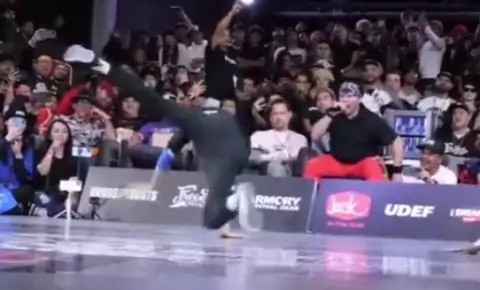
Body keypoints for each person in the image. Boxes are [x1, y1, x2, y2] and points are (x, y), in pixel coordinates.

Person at [64, 46, 260, 234]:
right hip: (235, 147)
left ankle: (102, 65)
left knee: (151, 98)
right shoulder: (228, 118)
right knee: (214, 212)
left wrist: (156, 179)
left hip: (218, 144)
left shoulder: (193, 118)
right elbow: (242, 146)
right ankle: (233, 202)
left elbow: (168, 149)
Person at [304, 82, 404, 182]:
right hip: (337, 161)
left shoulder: (371, 119)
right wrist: (330, 115)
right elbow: (314, 136)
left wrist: (397, 171)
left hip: (362, 163)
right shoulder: (334, 115)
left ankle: (373, 192)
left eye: (349, 96)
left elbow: (397, 141)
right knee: (313, 165)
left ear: (359, 99)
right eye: (342, 96)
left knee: (373, 166)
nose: (345, 100)